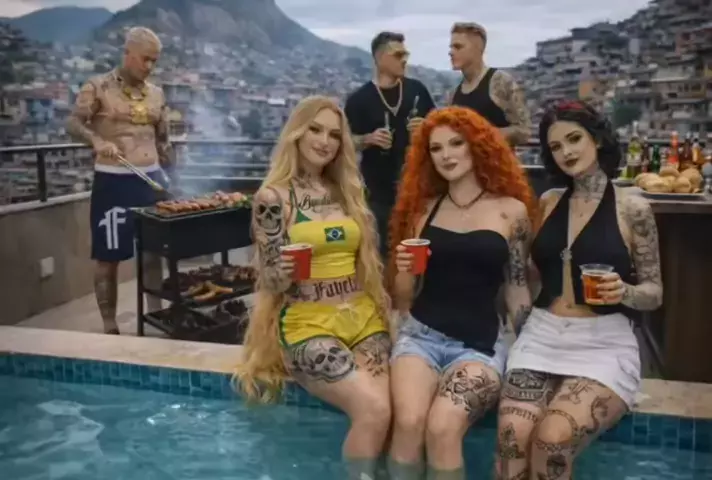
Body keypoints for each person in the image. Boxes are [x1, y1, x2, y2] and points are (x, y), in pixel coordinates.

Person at [496, 100, 663, 480]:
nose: (567, 152)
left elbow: (654, 292)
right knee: (511, 436)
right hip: (542, 333)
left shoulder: (632, 208)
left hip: (603, 341)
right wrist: (523, 330)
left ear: (597, 139)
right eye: (556, 146)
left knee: (552, 439)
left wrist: (624, 292)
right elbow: (524, 276)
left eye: (574, 139)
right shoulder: (548, 202)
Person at [234, 96, 392, 480]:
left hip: (363, 319)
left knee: (392, 410)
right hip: (309, 323)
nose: (324, 141)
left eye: (334, 135)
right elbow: (271, 281)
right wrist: (284, 268)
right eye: (315, 130)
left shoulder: (345, 190)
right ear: (297, 134)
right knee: (374, 411)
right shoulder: (273, 198)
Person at [387, 106, 537, 480]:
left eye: (456, 144)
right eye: (436, 148)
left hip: (479, 346)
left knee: (442, 427)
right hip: (420, 338)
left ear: (478, 146)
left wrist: (530, 353)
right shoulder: (424, 211)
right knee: (408, 422)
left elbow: (517, 288)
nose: (447, 155)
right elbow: (405, 297)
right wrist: (404, 269)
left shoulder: (511, 212)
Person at [66, 26, 172, 335]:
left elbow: (162, 138)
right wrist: (97, 141)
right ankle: (110, 324)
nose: (149, 66)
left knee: (153, 252)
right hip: (113, 181)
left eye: (154, 61)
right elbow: (73, 122)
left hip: (151, 179)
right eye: (144, 59)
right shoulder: (97, 87)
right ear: (127, 53)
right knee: (107, 255)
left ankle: (156, 313)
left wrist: (169, 161)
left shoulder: (157, 93)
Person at [344, 31, 436, 259]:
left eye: (405, 54)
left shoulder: (417, 90)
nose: (404, 60)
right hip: (378, 195)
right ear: (380, 57)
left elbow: (441, 129)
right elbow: (344, 142)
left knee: (420, 255)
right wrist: (367, 139)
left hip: (419, 191)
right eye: (398, 55)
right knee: (382, 256)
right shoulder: (359, 100)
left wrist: (427, 127)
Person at [448, 22, 531, 146]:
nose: (451, 52)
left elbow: (524, 130)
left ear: (477, 50)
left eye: (458, 47)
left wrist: (484, 135)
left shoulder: (500, 82)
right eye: (451, 47)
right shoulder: (454, 93)